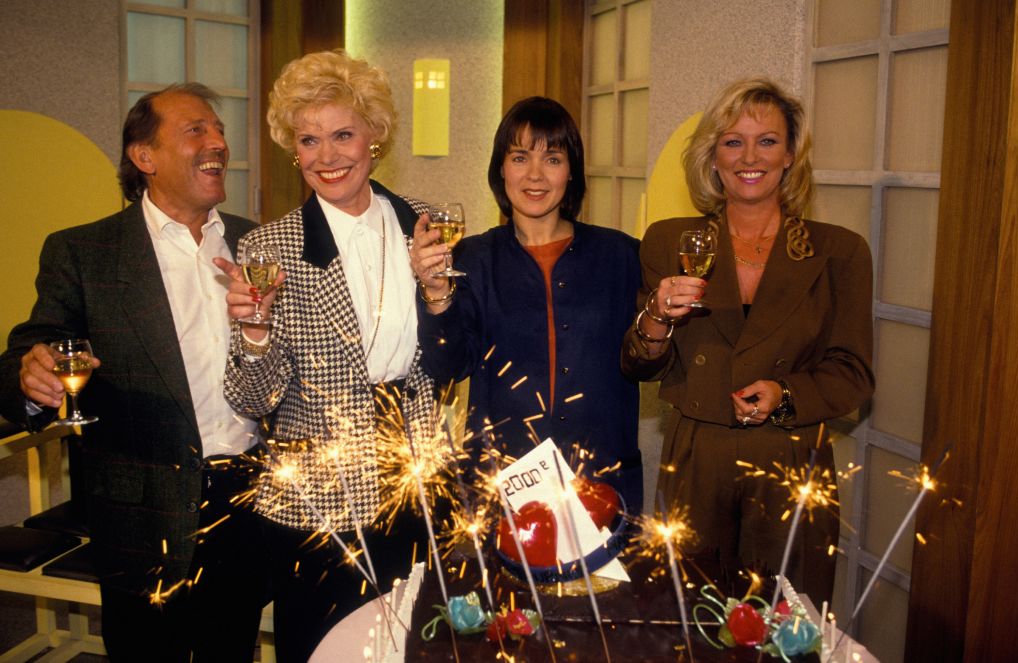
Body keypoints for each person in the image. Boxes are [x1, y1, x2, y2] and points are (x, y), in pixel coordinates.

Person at [0, 84, 265, 660]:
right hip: (143, 513)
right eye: (195, 129)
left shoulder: (257, 243)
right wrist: (31, 374)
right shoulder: (85, 252)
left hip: (246, 501)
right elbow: (30, 347)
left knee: (233, 648)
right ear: (144, 157)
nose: (218, 141)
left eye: (218, 128)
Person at [218, 49, 440, 663]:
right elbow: (251, 400)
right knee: (319, 649)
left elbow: (450, 354)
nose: (327, 156)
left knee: (412, 642)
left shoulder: (421, 225)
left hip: (415, 480)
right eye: (309, 141)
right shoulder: (270, 244)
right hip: (320, 495)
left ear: (375, 135)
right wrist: (256, 328)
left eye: (343, 134)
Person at [620, 78, 874, 605]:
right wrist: (657, 316)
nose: (749, 157)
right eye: (733, 141)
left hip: (791, 458)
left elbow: (853, 374)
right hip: (697, 457)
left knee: (786, 623)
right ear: (713, 157)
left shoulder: (839, 253)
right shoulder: (671, 241)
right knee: (690, 615)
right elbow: (638, 365)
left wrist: (786, 395)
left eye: (767, 141)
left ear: (791, 155)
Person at [412, 96, 644, 513]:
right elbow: (448, 367)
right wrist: (434, 291)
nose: (535, 175)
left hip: (601, 479)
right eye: (520, 158)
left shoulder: (622, 256)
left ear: (571, 171)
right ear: (501, 169)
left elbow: (650, 358)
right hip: (504, 482)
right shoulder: (471, 259)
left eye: (552, 159)